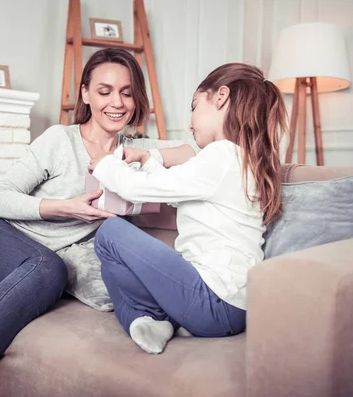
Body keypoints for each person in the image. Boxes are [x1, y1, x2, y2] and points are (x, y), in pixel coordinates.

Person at [0, 47, 150, 386]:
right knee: (49, 268)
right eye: (104, 91)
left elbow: (197, 151)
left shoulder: (135, 154)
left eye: (126, 92)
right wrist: (67, 208)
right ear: (86, 94)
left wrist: (145, 156)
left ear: (137, 97)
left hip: (19, 267)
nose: (117, 103)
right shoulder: (60, 140)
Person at [87, 63, 287, 354]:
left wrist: (104, 164)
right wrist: (148, 162)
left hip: (213, 301)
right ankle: (153, 322)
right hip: (229, 310)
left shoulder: (222, 155)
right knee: (116, 262)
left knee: (110, 233)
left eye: (194, 106)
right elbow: (173, 187)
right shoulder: (239, 159)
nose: (190, 120)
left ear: (220, 97)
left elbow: (135, 189)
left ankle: (146, 317)